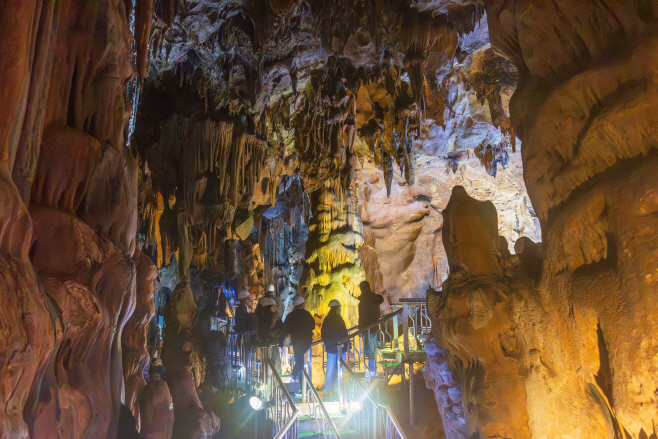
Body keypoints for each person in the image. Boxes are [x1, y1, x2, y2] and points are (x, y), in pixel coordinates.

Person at [283, 295, 315, 387]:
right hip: (307, 342)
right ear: (302, 304)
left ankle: (303, 386)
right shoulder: (307, 314)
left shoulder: (290, 315)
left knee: (300, 363)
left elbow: (286, 328)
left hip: (296, 342)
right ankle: (295, 377)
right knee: (299, 360)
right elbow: (312, 326)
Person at [321, 299, 348, 393]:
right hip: (338, 348)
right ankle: (335, 387)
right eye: (339, 308)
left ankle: (329, 388)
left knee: (332, 367)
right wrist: (345, 345)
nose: (340, 310)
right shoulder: (337, 319)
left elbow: (324, 333)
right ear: (336, 308)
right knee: (337, 368)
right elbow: (344, 333)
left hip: (333, 348)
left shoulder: (328, 319)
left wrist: (329, 343)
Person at [358, 281, 383, 377]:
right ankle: (373, 370)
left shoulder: (365, 299)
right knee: (372, 349)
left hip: (367, 328)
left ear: (362, 289)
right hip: (374, 328)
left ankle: (372, 371)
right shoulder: (375, 299)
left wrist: (361, 329)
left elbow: (363, 316)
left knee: (369, 351)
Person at [257, 297, 284, 373]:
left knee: (277, 365)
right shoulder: (263, 319)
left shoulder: (277, 317)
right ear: (268, 307)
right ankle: (268, 380)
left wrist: (275, 333)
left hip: (274, 343)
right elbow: (267, 332)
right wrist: (276, 331)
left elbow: (282, 328)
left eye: (275, 306)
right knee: (268, 366)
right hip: (266, 344)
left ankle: (278, 380)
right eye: (273, 306)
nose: (275, 308)